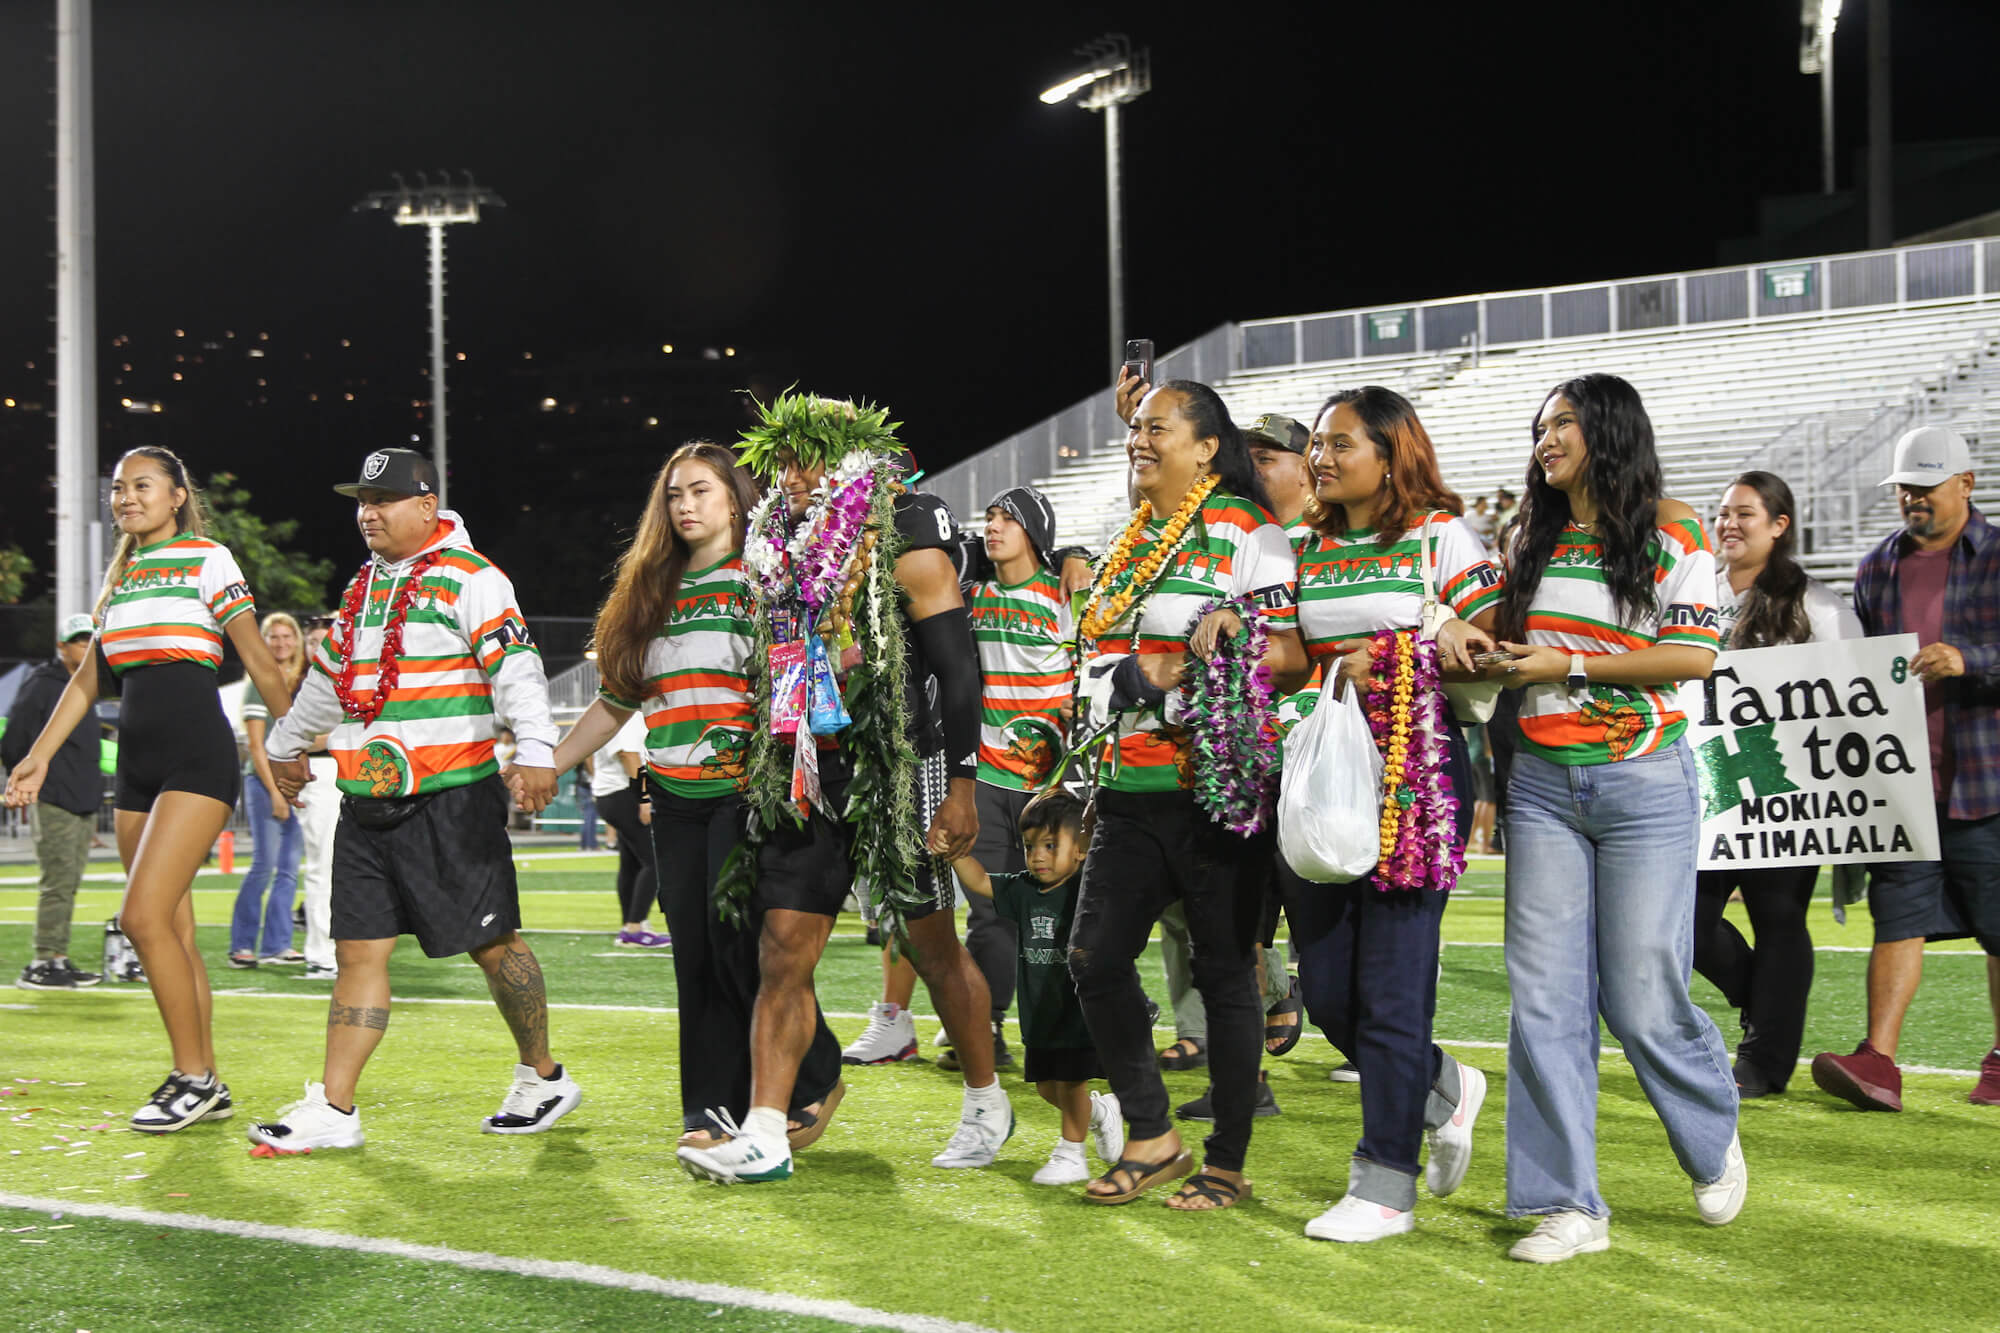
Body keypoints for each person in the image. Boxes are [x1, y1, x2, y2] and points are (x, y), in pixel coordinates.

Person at [676, 394, 1008, 1185]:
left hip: (901, 766)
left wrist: (962, 782)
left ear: (847, 457)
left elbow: (958, 666)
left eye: (805, 459)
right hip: (808, 766)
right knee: (781, 947)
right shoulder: (776, 539)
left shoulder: (905, 525)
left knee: (932, 947)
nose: (788, 476)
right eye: (781, 462)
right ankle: (766, 1130)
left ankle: (985, 1097)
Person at [249, 448, 578, 1152]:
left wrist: (538, 751)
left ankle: (543, 1074)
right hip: (365, 799)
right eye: (363, 502)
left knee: (493, 944)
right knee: (357, 952)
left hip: (451, 799)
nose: (368, 513)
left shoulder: (474, 578)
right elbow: (329, 683)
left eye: (384, 500)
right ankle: (335, 1107)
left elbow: (517, 670)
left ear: (428, 505)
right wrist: (285, 743)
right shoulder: (361, 588)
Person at [1484, 373, 1744, 1263]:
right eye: (1540, 425)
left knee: (1640, 994)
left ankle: (1710, 1130)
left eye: (1562, 422)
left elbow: (1694, 656)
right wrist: (1467, 637)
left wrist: (1569, 664)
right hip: (1541, 784)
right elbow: (1507, 638)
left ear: (1607, 429)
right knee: (1543, 998)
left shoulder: (1676, 528)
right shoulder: (1531, 533)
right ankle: (1567, 1203)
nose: (1545, 438)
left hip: (1644, 784)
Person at [556, 440, 845, 1148]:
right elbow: (616, 701)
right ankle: (710, 1110)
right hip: (673, 798)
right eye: (675, 495)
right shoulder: (649, 593)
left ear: (735, 500)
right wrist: (549, 762)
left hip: (743, 790)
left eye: (701, 491)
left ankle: (812, 1076)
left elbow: (799, 681)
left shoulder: (766, 579)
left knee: (737, 947)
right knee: (695, 954)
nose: (685, 505)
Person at [1067, 379, 1308, 1211]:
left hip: (1214, 791)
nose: (1139, 438)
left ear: (1206, 447)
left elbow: (1289, 656)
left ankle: (1227, 1161)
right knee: (1094, 958)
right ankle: (1152, 1134)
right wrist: (1132, 680)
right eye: (1135, 427)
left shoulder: (1248, 530)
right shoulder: (1132, 536)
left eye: (1156, 427)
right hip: (1126, 787)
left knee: (1225, 975)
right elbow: (1099, 659)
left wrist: (1196, 662)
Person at [4, 446, 296, 1131]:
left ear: (176, 495)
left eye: (141, 485)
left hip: (196, 758)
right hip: (136, 768)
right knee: (174, 930)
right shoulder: (123, 577)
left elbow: (258, 660)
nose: (126, 498)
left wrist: (291, 745)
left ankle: (191, 1077)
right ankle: (208, 1079)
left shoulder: (209, 558)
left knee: (140, 919)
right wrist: (39, 756)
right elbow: (88, 680)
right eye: (118, 488)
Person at [1272, 385, 1501, 1243]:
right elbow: (1281, 657)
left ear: (1390, 452)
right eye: (1318, 445)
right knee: (1331, 994)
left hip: (1414, 777)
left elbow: (1489, 646)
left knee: (1394, 990)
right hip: (1320, 777)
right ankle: (1444, 1084)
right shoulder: (1298, 545)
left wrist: (1412, 646)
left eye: (1340, 443)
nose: (1320, 458)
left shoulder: (1440, 537)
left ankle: (1385, 1185)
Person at [1811, 425, 2000, 1111]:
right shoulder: (1876, 567)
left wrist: (1970, 659)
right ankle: (1878, 1061)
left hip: (1986, 780)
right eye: (1904, 488)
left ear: (1966, 483)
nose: (1912, 498)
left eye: (1925, 486)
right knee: (1896, 915)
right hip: (1903, 783)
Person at [1697, 471, 1862, 1098]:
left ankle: (1765, 1062)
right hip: (1709, 786)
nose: (1729, 524)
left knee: (1779, 918)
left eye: (1744, 513)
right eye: (1723, 513)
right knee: (1683, 922)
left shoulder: (1819, 605)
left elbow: (1857, 692)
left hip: (1788, 791)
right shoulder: (1695, 593)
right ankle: (1765, 1000)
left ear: (1779, 525)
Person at [949, 790, 1124, 1184]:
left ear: (1081, 849)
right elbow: (980, 881)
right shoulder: (1025, 888)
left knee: (1072, 1083)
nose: (1037, 856)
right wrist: (955, 854)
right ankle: (1101, 1113)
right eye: (1030, 847)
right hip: (1039, 1014)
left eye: (1050, 845)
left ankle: (1072, 1155)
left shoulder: (1088, 890)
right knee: (1048, 1089)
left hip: (1078, 1014)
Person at [4, 613, 105, 990]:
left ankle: (57, 957)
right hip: (54, 797)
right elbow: (14, 737)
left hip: (81, 798)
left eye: (91, 640)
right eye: (80, 641)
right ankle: (42, 961)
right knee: (58, 883)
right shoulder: (44, 684)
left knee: (69, 882)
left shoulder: (86, 683)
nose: (87, 647)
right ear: (62, 647)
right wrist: (26, 783)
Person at [231, 612, 309, 968]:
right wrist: (276, 793)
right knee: (264, 865)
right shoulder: (258, 683)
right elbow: (256, 746)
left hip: (294, 784)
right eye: (274, 637)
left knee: (289, 870)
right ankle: (242, 945)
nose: (281, 643)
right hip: (265, 784)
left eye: (287, 636)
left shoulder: (299, 681)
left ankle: (277, 945)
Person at [587, 709, 665, 947]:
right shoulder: (628, 715)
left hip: (610, 794)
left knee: (631, 863)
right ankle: (634, 926)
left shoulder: (608, 713)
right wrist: (644, 797)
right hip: (623, 794)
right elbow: (629, 755)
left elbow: (589, 755)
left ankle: (630, 925)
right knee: (654, 862)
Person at [293, 616, 341, 979]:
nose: (318, 647)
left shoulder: (353, 677)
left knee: (349, 869)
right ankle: (321, 953)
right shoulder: (299, 683)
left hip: (356, 772)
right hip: (320, 773)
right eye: (312, 641)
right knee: (322, 866)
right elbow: (294, 738)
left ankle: (341, 948)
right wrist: (343, 734)